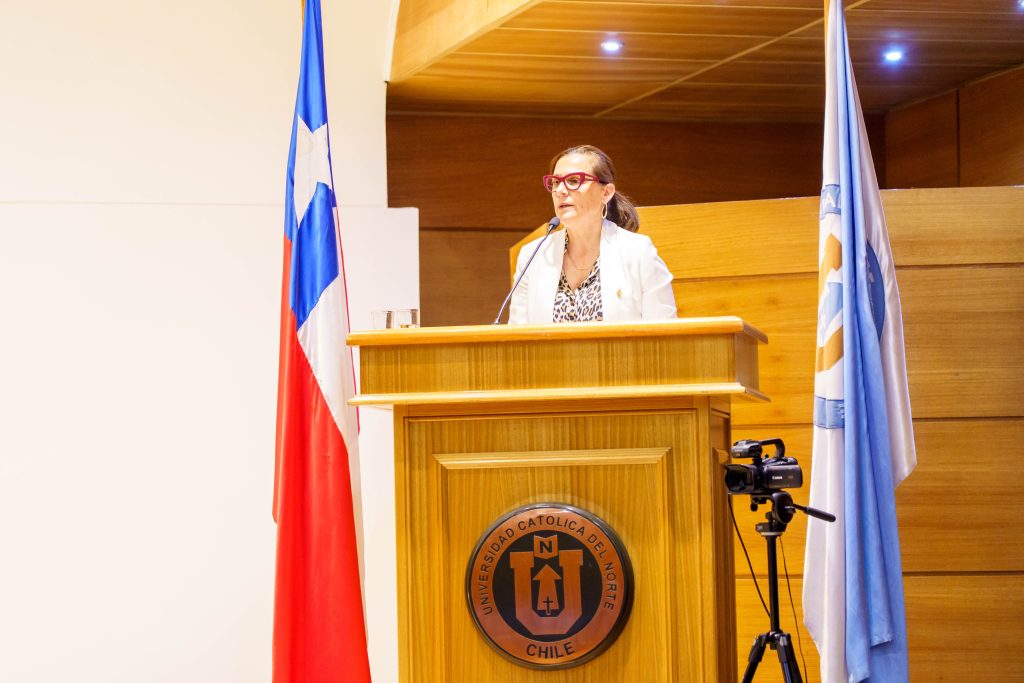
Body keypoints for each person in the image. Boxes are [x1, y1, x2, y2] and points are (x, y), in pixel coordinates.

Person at [508, 145, 677, 324]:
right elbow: (517, 335)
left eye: (574, 180)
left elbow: (664, 332)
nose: (560, 191)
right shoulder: (533, 256)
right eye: (555, 182)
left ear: (606, 192)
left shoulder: (638, 252)